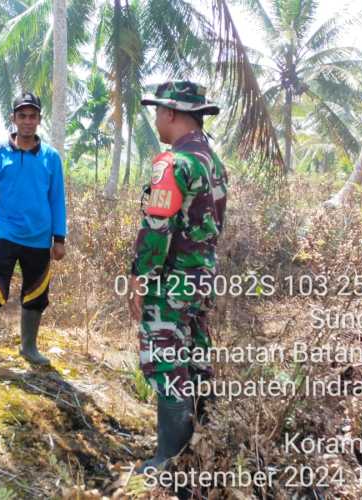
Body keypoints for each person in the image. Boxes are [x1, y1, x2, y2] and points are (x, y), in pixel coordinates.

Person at [129, 81, 228, 471]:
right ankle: (201, 449)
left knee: (166, 362)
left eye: (158, 112)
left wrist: (139, 277)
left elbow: (157, 228)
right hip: (202, 277)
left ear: (171, 113)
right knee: (195, 357)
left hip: (170, 282)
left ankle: (167, 461)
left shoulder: (171, 164)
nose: (156, 119)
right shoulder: (214, 163)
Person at [0, 92, 67, 368]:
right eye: (22, 116)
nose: (27, 121)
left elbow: (57, 199)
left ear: (39, 120)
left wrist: (59, 239)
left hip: (39, 237)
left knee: (36, 293)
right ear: (13, 118)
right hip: (6, 235)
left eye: (32, 116)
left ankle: (29, 347)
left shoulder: (51, 157)